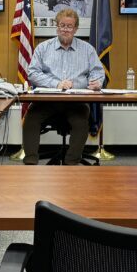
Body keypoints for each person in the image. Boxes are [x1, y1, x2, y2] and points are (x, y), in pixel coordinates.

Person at [22, 8, 104, 165]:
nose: (66, 29)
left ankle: (70, 164)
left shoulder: (87, 49)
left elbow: (98, 73)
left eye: (70, 26)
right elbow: (32, 73)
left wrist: (96, 82)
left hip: (76, 102)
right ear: (57, 27)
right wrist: (57, 84)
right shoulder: (43, 48)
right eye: (62, 25)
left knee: (81, 124)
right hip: (47, 101)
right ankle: (30, 163)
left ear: (76, 29)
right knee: (31, 119)